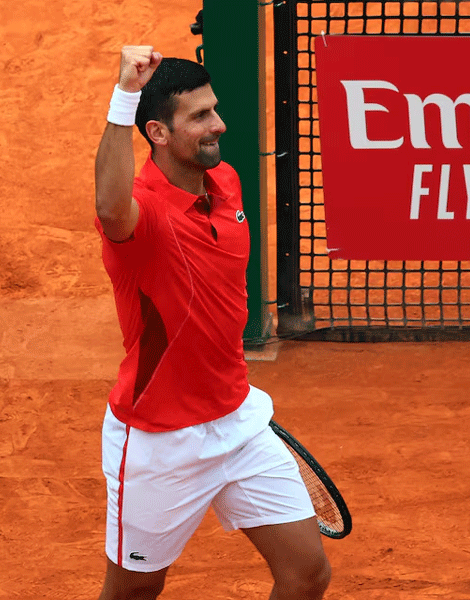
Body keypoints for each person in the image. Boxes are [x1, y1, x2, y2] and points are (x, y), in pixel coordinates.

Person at [93, 45, 331, 600]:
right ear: (155, 132)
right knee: (134, 590)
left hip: (238, 420)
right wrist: (124, 94)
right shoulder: (140, 214)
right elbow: (109, 207)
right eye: (199, 116)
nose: (218, 124)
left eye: (214, 109)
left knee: (307, 573)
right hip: (159, 440)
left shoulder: (225, 182)